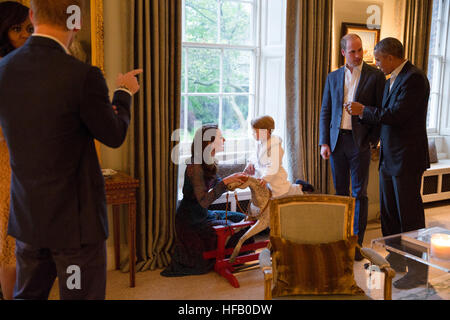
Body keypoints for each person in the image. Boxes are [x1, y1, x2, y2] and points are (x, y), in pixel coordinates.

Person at [0, 0, 142, 300]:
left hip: (29, 220)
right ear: (74, 23)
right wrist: (124, 92)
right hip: (75, 227)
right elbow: (114, 134)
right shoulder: (82, 75)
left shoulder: (3, 70)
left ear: (32, 15)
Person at [346, 37, 430, 289]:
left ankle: (417, 273)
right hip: (389, 156)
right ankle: (396, 261)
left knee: (409, 218)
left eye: (379, 59)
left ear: (391, 58)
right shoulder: (392, 78)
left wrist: (363, 111)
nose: (377, 64)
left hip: (407, 158)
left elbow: (395, 116)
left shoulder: (414, 78)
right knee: (390, 216)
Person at [319, 34, 386, 260]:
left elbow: (380, 111)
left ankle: (356, 244)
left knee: (359, 194)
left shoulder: (375, 76)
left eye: (360, 50)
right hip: (337, 142)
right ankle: (341, 237)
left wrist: (372, 140)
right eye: (353, 52)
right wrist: (324, 141)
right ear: (343, 53)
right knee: (340, 193)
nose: (358, 56)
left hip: (360, 142)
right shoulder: (333, 77)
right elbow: (325, 110)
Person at [161, 124, 250, 277]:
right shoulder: (195, 167)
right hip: (192, 220)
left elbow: (219, 183)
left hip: (203, 214)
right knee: (232, 226)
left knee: (243, 220)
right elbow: (204, 201)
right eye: (220, 137)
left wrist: (238, 177)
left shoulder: (208, 161)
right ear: (209, 143)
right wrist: (225, 183)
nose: (224, 139)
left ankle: (233, 259)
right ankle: (226, 260)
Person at [0, 1, 34, 301]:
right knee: (9, 244)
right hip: (6, 164)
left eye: (28, 28)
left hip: (29, 163)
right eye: (16, 28)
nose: (24, 34)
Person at [244, 115, 306, 198]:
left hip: (275, 177)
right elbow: (255, 156)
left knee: (285, 192)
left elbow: (273, 165)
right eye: (253, 132)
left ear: (266, 131)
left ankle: (300, 186)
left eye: (256, 132)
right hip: (264, 177)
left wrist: (265, 178)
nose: (253, 134)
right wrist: (250, 163)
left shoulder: (275, 146)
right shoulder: (260, 144)